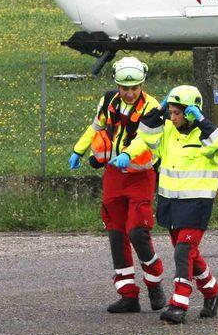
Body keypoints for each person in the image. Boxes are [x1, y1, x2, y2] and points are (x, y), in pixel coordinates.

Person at [111, 85, 218, 324]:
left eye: (177, 113)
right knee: (189, 253)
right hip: (171, 204)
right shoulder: (167, 131)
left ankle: (179, 304)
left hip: (197, 205)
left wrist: (201, 119)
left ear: (192, 112)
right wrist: (158, 110)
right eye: (170, 112)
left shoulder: (205, 137)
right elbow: (145, 135)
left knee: (183, 252)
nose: (172, 118)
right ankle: (214, 292)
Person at [69, 56, 167, 313]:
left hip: (139, 176)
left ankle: (154, 284)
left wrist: (128, 153)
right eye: (125, 88)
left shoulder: (153, 108)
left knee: (137, 230)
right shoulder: (109, 100)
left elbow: (146, 139)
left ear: (142, 85)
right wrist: (78, 150)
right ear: (117, 85)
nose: (129, 93)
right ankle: (127, 295)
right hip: (113, 174)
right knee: (116, 232)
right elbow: (96, 127)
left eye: (135, 88)